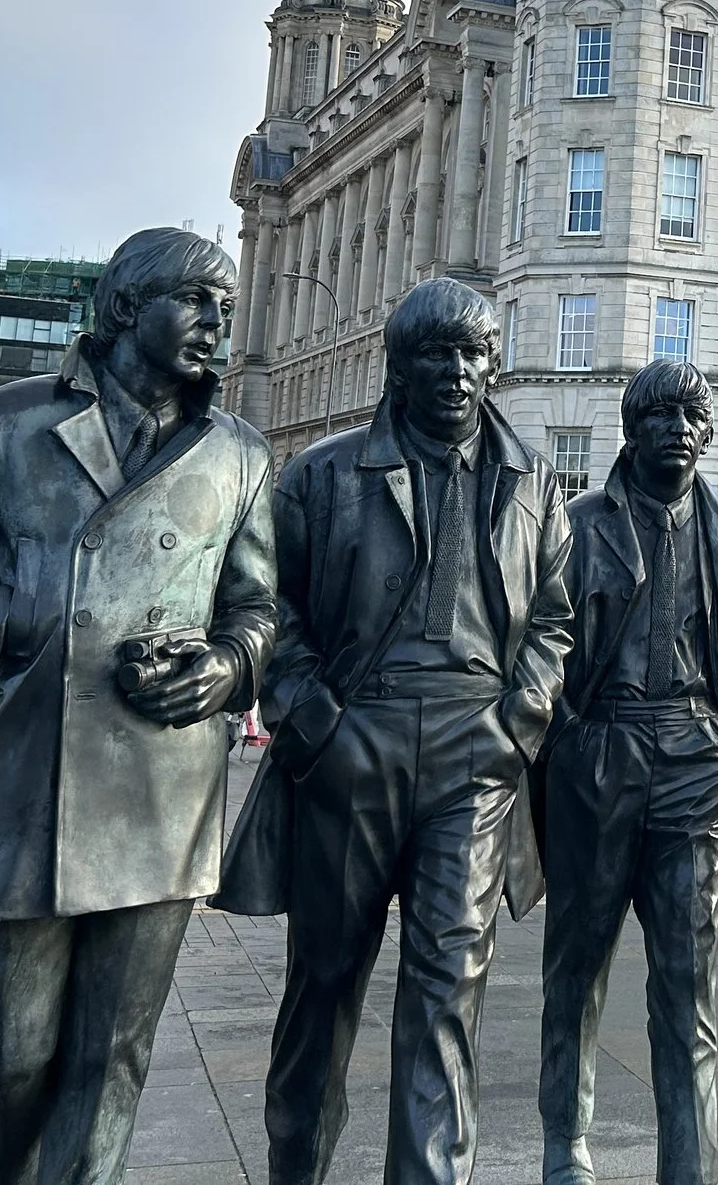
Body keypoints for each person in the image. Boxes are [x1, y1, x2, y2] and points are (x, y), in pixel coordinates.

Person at [0, 228, 277, 1185]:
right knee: (11, 1056)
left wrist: (224, 666)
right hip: (20, 780)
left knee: (110, 1061)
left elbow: (260, 610)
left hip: (161, 787)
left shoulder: (240, 453)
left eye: (227, 303)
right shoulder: (9, 424)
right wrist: (23, 620)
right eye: (198, 300)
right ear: (127, 309)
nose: (220, 322)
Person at [220, 276, 573, 1185]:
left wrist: (515, 726)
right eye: (435, 354)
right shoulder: (325, 474)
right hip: (353, 748)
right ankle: (295, 1164)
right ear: (398, 366)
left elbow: (554, 624)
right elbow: (272, 612)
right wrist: (315, 726)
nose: (457, 372)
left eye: (473, 354)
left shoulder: (532, 479)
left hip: (476, 758)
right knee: (324, 984)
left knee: (448, 993)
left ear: (496, 363)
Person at [537, 360, 718, 1185]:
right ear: (631, 429)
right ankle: (566, 1137)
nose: (677, 426)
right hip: (603, 753)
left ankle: (691, 1166)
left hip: (695, 769)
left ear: (708, 430)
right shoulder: (579, 525)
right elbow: (544, 647)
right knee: (578, 966)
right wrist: (572, 740)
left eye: (691, 413)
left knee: (686, 985)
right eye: (659, 412)